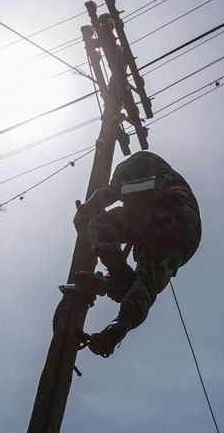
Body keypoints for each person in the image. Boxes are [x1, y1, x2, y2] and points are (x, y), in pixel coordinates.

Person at [75, 150, 201, 357]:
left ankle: (120, 275)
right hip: (189, 234)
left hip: (167, 210)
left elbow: (112, 191)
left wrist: (86, 211)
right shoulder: (167, 174)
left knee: (101, 224)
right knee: (146, 282)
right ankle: (120, 325)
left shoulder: (136, 161)